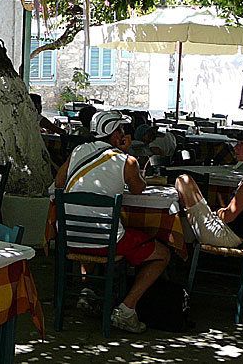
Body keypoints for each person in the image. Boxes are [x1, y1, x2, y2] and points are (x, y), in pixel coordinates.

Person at [55, 110, 171, 334]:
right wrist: (124, 153)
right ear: (115, 134)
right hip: (105, 241)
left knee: (92, 229)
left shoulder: (78, 150)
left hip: (69, 236)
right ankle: (127, 309)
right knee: (162, 254)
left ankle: (87, 290)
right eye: (121, 130)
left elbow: (59, 183)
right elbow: (138, 189)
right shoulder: (126, 161)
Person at [174, 127, 243, 248]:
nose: (235, 148)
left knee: (184, 180)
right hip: (230, 232)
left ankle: (180, 245)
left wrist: (217, 212)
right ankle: (182, 243)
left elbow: (228, 216)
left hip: (226, 236)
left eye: (241, 144)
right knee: (186, 215)